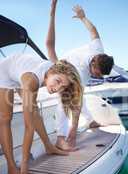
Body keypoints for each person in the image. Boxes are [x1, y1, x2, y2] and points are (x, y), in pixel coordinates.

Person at [0, 1, 83, 174]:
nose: (57, 88)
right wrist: (24, 167)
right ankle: (12, 166)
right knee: (5, 118)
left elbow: (49, 43)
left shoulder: (56, 67)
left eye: (62, 87)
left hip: (21, 70)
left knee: (34, 110)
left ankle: (48, 146)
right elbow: (29, 128)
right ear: (53, 71)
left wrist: (52, 12)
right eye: (58, 82)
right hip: (5, 72)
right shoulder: (31, 82)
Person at [46, 0, 101, 151]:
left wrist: (83, 18)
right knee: (65, 102)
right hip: (67, 68)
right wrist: (53, 10)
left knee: (76, 98)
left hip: (70, 71)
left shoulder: (97, 51)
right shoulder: (72, 72)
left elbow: (94, 31)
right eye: (97, 73)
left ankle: (89, 121)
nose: (97, 76)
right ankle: (60, 138)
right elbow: (49, 45)